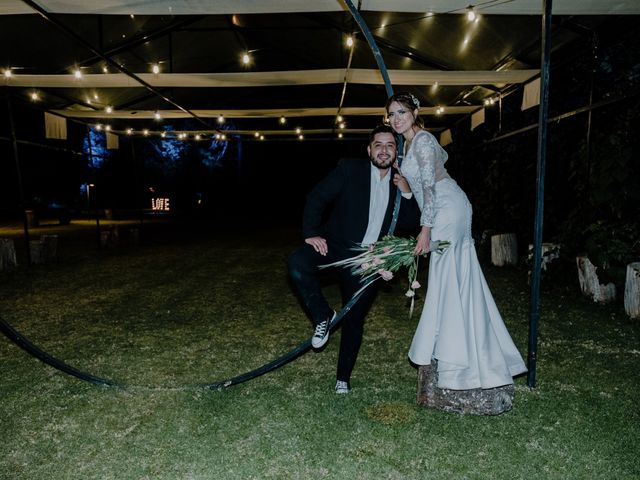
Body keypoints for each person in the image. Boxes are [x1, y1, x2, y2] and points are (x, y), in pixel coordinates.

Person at [385, 92, 527, 391]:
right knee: (455, 275)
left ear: (414, 112)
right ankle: (462, 346)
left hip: (446, 209)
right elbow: (430, 181)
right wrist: (408, 188)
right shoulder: (409, 143)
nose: (396, 119)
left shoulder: (422, 141)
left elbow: (434, 189)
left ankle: (456, 359)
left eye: (401, 112)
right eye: (392, 115)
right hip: (442, 207)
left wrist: (425, 230)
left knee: (447, 275)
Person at [288, 124, 420, 394]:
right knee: (298, 264)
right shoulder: (350, 170)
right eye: (379, 145)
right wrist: (312, 233)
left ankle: (343, 379)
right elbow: (317, 197)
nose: (384, 150)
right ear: (369, 149)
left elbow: (410, 222)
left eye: (390, 146)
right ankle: (323, 315)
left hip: (370, 259)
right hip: (335, 247)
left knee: (354, 319)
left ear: (397, 152)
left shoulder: (401, 182)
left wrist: (407, 191)